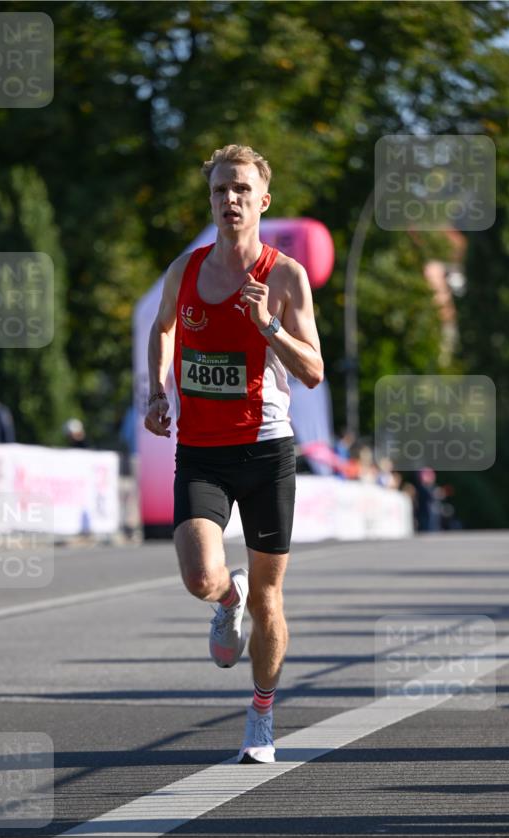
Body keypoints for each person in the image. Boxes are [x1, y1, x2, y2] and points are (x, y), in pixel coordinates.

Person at [144, 144, 323, 763]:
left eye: (242, 190)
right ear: (212, 201)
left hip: (267, 448)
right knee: (198, 574)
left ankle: (263, 713)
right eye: (221, 191)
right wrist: (157, 389)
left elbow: (315, 372)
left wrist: (270, 328)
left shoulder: (285, 276)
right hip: (201, 449)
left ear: (262, 201)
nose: (230, 200)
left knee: (272, 596)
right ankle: (226, 599)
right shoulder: (186, 270)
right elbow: (163, 326)